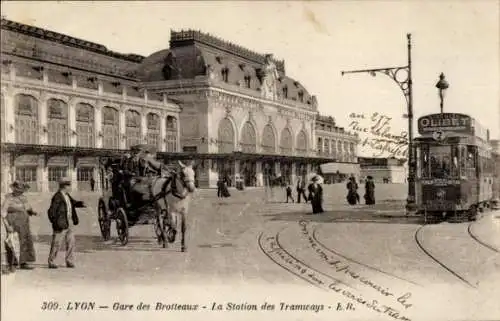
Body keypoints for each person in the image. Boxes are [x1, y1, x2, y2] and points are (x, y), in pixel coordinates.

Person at [47, 177, 86, 269]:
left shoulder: (67, 195)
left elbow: (73, 203)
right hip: (60, 223)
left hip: (69, 222)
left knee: (71, 242)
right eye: (68, 185)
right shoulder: (57, 196)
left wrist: (81, 204)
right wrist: (55, 222)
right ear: (64, 186)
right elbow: (51, 211)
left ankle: (69, 261)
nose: (70, 187)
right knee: (56, 243)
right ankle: (51, 261)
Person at [1, 181, 37, 272]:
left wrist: (32, 212)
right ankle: (13, 263)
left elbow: (27, 208)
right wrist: (7, 226)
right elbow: (3, 213)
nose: (20, 192)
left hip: (24, 224)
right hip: (13, 224)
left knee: (25, 242)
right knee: (13, 243)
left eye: (21, 191)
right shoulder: (8, 198)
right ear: (14, 190)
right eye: (19, 190)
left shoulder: (23, 198)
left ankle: (23, 262)